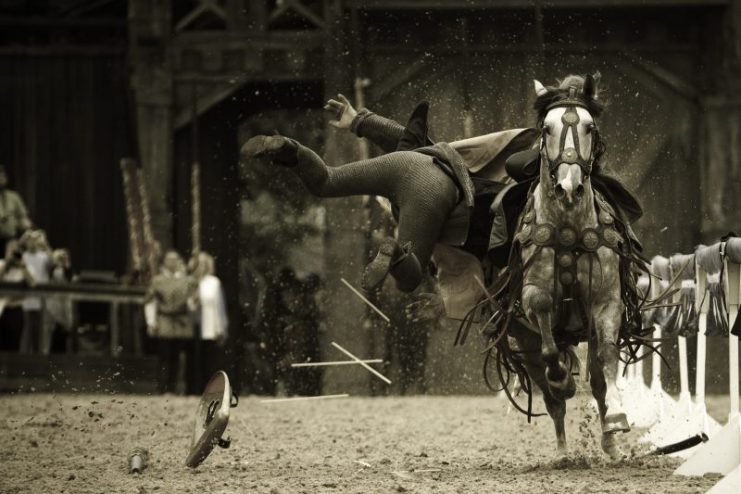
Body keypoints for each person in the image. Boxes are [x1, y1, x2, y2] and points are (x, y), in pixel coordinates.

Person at [144, 250, 198, 394]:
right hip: (165, 319)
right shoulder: (158, 281)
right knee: (164, 355)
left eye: (175, 259)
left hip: (181, 320)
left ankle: (174, 388)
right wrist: (151, 322)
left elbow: (193, 302)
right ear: (164, 262)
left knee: (177, 355)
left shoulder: (187, 281)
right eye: (169, 259)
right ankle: (162, 388)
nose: (172, 263)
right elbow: (150, 302)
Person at [189, 251, 228, 390]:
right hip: (193, 323)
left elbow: (219, 306)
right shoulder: (190, 281)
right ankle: (192, 387)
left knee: (208, 358)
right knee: (192, 357)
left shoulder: (214, 282)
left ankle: (206, 387)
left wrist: (221, 328)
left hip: (209, 324)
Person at [19, 229, 51, 354]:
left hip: (41, 299)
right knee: (28, 328)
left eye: (34, 240)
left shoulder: (43, 256)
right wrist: (23, 237)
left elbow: (52, 261)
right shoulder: (24, 256)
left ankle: (40, 357)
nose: (32, 242)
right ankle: (24, 356)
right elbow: (14, 252)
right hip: (27, 299)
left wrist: (44, 241)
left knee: (40, 330)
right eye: (30, 240)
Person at [0, 239, 33, 351]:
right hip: (2, 309)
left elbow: (32, 283)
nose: (14, 253)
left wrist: (22, 266)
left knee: (14, 345)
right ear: (5, 251)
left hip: (16, 310)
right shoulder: (0, 264)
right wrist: (6, 265)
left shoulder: (24, 268)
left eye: (16, 250)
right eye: (11, 250)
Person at [0, 165, 32, 254]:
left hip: (11, 241)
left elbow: (24, 220)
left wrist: (26, 225)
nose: (1, 178)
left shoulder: (14, 197)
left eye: (3, 175)